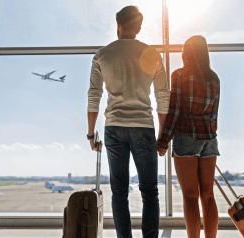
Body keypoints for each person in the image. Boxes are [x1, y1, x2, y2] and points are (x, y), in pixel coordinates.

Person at [87, 6, 169, 238]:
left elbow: (94, 95)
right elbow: (163, 96)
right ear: (139, 28)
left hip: (114, 127)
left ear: (118, 25)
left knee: (119, 192)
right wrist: (162, 134)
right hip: (143, 127)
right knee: (149, 191)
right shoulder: (153, 54)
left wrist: (91, 133)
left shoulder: (102, 55)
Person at [157, 35, 220, 238]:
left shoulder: (180, 75)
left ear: (187, 53)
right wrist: (208, 136)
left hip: (186, 137)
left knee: (190, 196)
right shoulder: (214, 78)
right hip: (209, 139)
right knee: (208, 196)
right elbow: (214, 115)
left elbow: (174, 112)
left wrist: (164, 140)